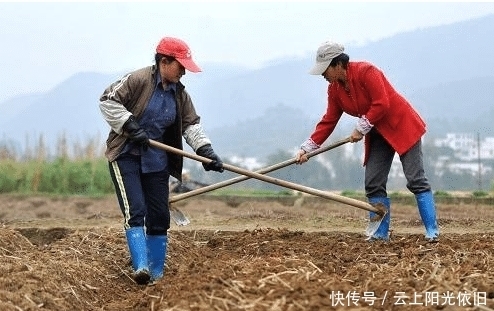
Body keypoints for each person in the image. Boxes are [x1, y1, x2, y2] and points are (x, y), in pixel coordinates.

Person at [99, 36, 224, 284]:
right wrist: (129, 124)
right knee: (136, 211)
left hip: (156, 159)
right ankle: (141, 268)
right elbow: (107, 100)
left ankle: (156, 275)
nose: (184, 73)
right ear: (164, 61)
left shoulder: (180, 94)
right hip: (126, 156)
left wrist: (206, 152)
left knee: (158, 216)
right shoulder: (138, 80)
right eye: (181, 67)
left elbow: (190, 125)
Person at [295, 41, 439, 242]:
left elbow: (382, 103)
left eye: (325, 70)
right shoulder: (334, 90)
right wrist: (307, 148)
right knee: (373, 183)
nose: (322, 75)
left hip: (402, 125)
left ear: (337, 64)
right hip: (377, 132)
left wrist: (360, 128)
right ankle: (380, 234)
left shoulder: (366, 72)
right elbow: (329, 120)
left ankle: (432, 232)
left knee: (415, 179)